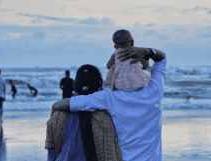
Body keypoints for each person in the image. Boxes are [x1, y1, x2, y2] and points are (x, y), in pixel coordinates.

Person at [52, 32, 167, 161]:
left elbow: (65, 104)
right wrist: (147, 51)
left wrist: (55, 112)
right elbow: (162, 59)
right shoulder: (155, 90)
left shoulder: (108, 97)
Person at [46, 65, 123, 161]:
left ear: (75, 86)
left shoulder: (57, 117)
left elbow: (51, 155)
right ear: (99, 87)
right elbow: (111, 155)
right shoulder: (106, 119)